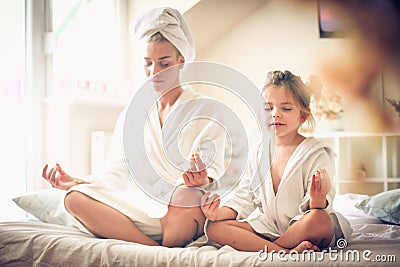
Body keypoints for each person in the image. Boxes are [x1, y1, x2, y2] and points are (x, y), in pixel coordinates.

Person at [42, 7, 226, 247]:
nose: (154, 73)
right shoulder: (133, 112)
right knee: (74, 200)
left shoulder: (207, 109)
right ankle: (155, 253)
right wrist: (76, 182)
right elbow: (116, 174)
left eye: (164, 63)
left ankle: (156, 247)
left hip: (178, 208)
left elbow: (212, 173)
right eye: (148, 64)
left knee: (186, 197)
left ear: (181, 62)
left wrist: (200, 179)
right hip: (135, 205)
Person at [200, 70, 352, 253]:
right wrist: (217, 213)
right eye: (268, 108)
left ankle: (271, 248)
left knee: (318, 219)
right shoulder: (258, 153)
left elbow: (320, 207)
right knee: (214, 227)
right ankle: (283, 250)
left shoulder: (316, 153)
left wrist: (317, 199)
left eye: (286, 108)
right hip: (269, 228)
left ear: (302, 116)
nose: (275, 114)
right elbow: (244, 199)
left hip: (304, 225)